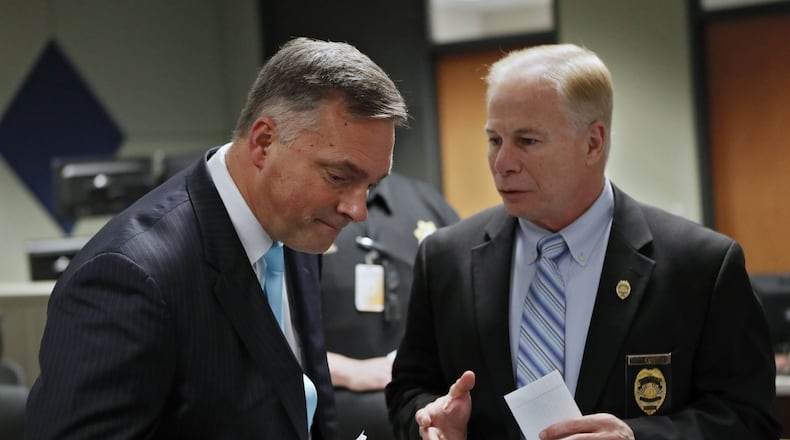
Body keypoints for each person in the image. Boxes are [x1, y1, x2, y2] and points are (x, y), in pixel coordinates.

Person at [385, 43, 781, 439]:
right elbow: (408, 390)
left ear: (593, 143)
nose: (502, 163)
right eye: (494, 140)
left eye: (527, 141)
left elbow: (749, 418)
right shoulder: (445, 258)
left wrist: (636, 437)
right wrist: (429, 421)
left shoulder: (700, 266)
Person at [26, 37, 407, 439]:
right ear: (263, 143)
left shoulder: (295, 226)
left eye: (371, 186)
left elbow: (299, 403)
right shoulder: (127, 277)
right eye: (337, 177)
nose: (358, 210)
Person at [320, 171, 459, 439]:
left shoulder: (427, 202)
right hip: (326, 412)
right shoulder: (303, 205)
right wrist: (347, 371)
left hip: (416, 415)